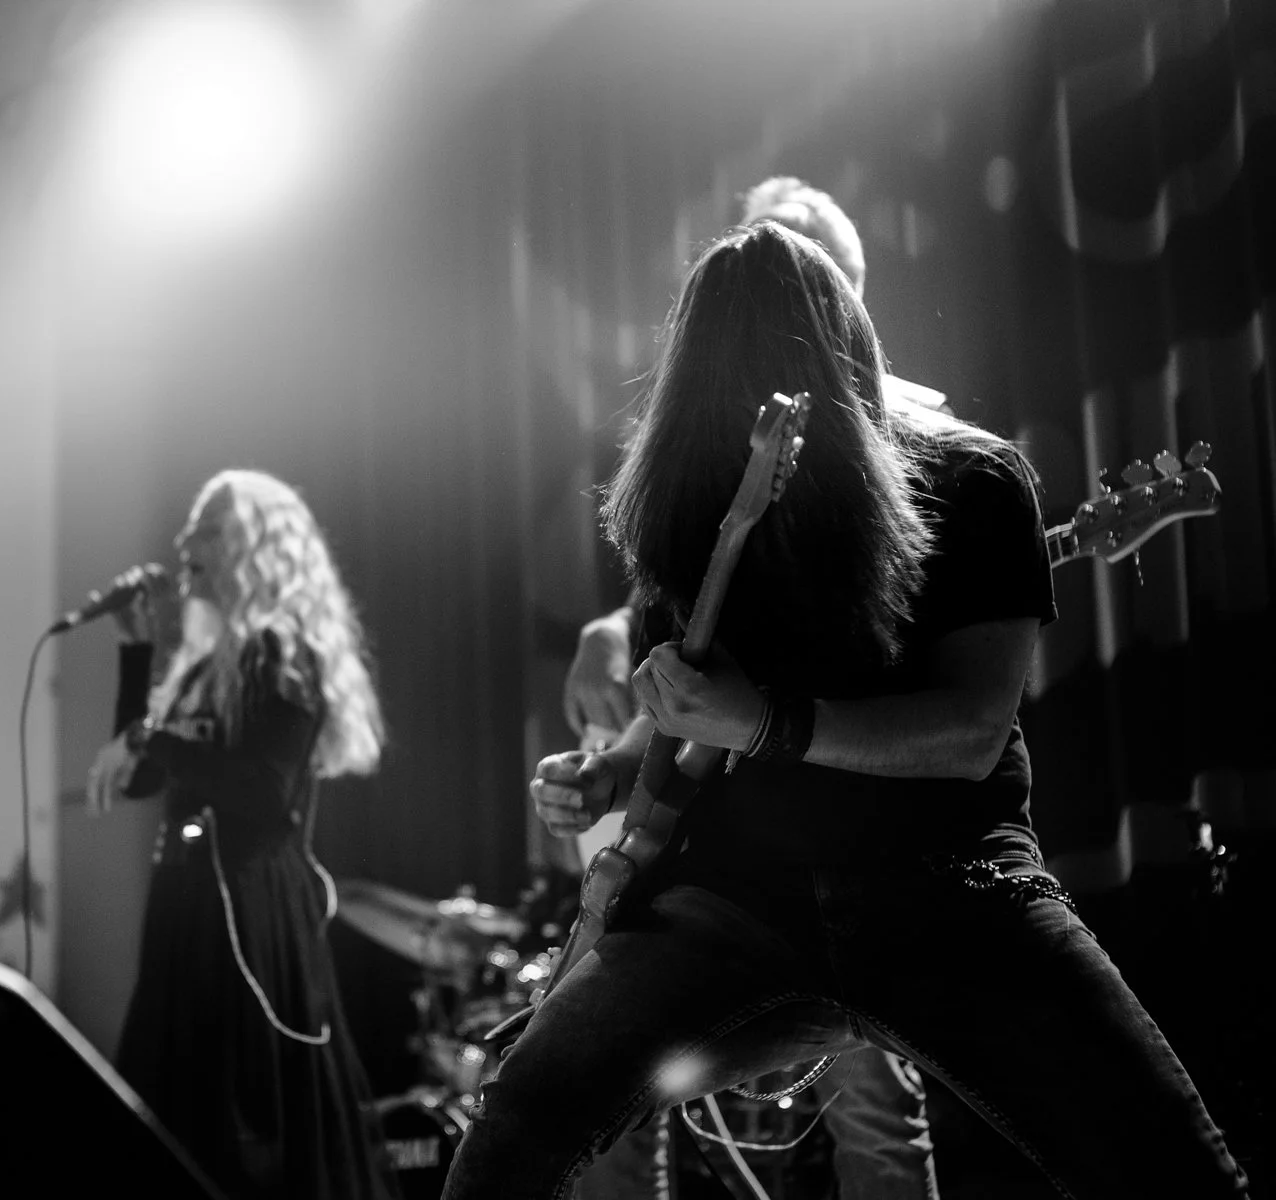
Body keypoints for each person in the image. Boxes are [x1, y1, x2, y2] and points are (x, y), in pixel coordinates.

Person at [440, 221, 1248, 1199]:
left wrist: (768, 722)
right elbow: (688, 699)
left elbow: (970, 734)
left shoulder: (975, 479)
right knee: (517, 1119)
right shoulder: (695, 506)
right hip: (737, 902)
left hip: (951, 891)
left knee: (1172, 1172)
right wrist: (608, 773)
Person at [564, 176, 939, 1199]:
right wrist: (610, 639)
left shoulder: (923, 444)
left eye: (805, 282)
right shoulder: (714, 440)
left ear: (851, 298)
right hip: (719, 830)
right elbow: (680, 605)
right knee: (604, 1077)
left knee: (876, 1106)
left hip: (852, 837)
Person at [85, 469, 399, 1200]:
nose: (184, 542)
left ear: (257, 548)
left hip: (248, 916)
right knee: (174, 1114)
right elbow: (139, 779)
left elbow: (262, 793)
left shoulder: (280, 652)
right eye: (189, 527)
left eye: (208, 529)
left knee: (247, 1130)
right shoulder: (206, 661)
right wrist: (136, 655)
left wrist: (149, 739)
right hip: (187, 908)